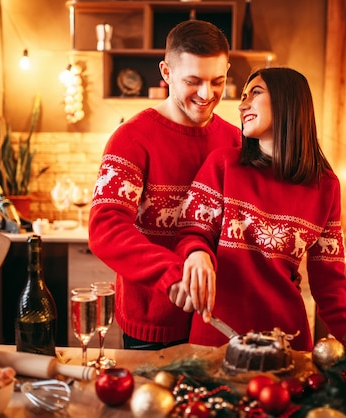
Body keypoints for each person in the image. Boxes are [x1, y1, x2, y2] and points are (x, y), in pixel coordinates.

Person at [173, 67, 346, 365]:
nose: (243, 105)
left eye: (255, 93)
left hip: (288, 345)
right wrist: (197, 253)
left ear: (287, 101)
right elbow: (192, 233)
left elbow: (330, 287)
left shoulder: (325, 186)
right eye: (243, 97)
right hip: (216, 340)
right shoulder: (224, 165)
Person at [89, 20, 241, 350]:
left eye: (218, 81)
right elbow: (106, 228)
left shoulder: (237, 141)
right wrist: (170, 273)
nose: (206, 94)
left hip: (223, 323)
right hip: (151, 324)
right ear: (166, 72)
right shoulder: (131, 138)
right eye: (193, 81)